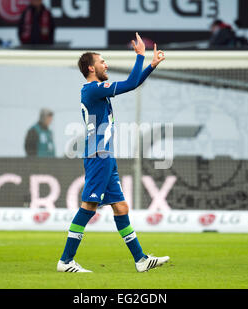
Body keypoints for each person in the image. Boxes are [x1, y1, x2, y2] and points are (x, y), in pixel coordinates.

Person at [57, 33, 169, 273]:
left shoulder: (96, 90)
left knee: (121, 208)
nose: (106, 64)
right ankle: (65, 261)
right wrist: (140, 56)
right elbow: (129, 84)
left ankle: (140, 260)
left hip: (105, 155)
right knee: (88, 207)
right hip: (98, 155)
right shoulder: (93, 89)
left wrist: (150, 66)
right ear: (91, 67)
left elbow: (134, 83)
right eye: (102, 61)